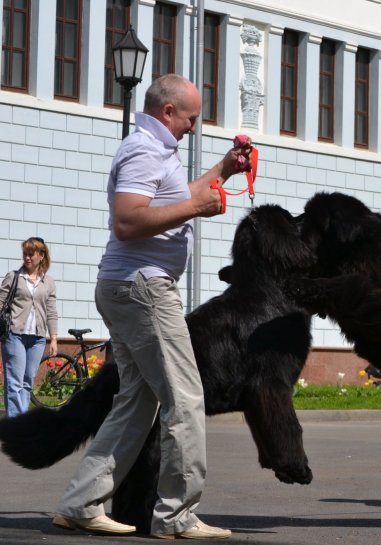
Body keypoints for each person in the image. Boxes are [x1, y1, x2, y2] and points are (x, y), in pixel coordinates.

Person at [53, 74, 250, 539]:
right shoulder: (144, 149)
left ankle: (81, 502)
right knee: (185, 398)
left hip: (127, 286)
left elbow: (177, 198)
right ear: (168, 112)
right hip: (144, 288)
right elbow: (127, 221)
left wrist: (224, 168)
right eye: (190, 118)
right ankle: (176, 516)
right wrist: (196, 210)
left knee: (136, 402)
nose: (193, 126)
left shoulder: (155, 149)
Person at [1, 237, 59, 418]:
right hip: (15, 335)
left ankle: (21, 420)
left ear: (41, 256)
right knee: (15, 382)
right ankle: (15, 424)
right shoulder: (14, 277)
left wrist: (54, 338)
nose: (27, 257)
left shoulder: (48, 282)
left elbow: (51, 311)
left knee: (27, 382)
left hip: (38, 338)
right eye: (25, 253)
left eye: (31, 254)